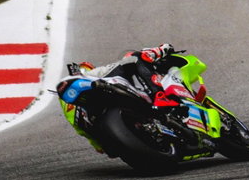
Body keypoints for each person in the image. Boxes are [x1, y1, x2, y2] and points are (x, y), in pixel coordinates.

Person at [64, 45, 207, 134]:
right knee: (135, 57)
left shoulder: (69, 105)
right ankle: (160, 96)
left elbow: (85, 134)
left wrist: (99, 145)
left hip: (102, 123)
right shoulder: (93, 74)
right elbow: (134, 59)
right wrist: (163, 48)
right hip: (108, 97)